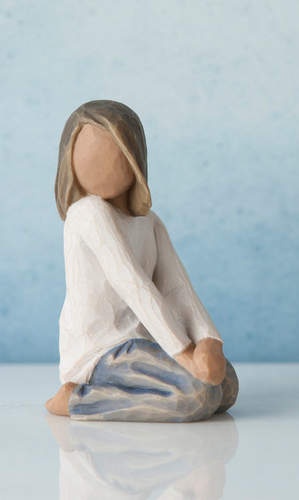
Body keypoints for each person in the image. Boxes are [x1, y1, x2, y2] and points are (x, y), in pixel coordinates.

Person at [46, 100, 238, 422]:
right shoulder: (88, 213)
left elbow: (178, 287)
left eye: (112, 150)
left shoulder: (149, 222)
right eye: (86, 152)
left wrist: (208, 341)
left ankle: (169, 374)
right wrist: (184, 354)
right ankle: (78, 398)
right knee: (196, 395)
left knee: (226, 387)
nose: (97, 162)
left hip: (145, 343)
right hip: (102, 350)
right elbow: (132, 285)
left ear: (134, 155)